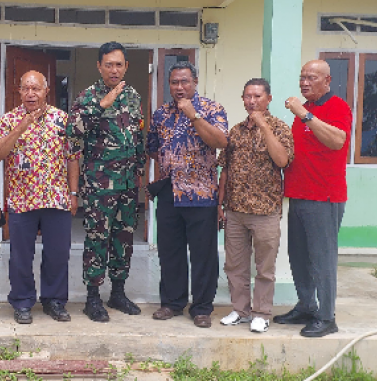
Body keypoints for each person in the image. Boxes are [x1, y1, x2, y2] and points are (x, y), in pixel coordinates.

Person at [0, 71, 80, 324]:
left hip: (57, 199)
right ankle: (22, 301)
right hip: (22, 200)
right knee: (20, 256)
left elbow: (73, 158)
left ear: (46, 91)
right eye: (26, 88)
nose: (31, 93)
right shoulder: (8, 120)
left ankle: (55, 301)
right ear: (19, 91)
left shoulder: (63, 120)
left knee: (58, 254)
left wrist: (73, 193)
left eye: (36, 89)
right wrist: (20, 128)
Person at [67, 41, 146, 322]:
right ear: (99, 66)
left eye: (119, 64)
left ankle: (118, 292)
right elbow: (73, 134)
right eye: (109, 64)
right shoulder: (87, 97)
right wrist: (102, 105)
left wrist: (140, 169)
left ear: (126, 66)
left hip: (127, 185)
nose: (114, 69)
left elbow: (138, 136)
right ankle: (92, 298)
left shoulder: (133, 96)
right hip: (100, 185)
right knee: (98, 239)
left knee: (124, 239)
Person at [273, 60, 352, 338]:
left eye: (312, 78)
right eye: (302, 77)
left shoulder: (336, 107)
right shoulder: (306, 110)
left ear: (327, 81)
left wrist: (304, 114)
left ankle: (327, 317)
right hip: (298, 194)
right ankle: (307, 306)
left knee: (322, 259)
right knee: (299, 256)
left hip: (324, 196)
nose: (304, 82)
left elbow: (338, 140)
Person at [146, 61, 228, 328]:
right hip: (170, 192)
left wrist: (193, 115)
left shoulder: (213, 109)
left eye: (184, 82)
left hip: (202, 193)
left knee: (203, 254)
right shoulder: (160, 114)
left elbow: (220, 142)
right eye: (174, 82)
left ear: (195, 82)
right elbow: (153, 149)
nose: (179, 87)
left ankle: (202, 307)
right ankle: (172, 302)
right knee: (170, 252)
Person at [217, 78, 293, 333]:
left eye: (257, 96)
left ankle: (261, 313)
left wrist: (263, 126)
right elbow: (225, 168)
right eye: (248, 96)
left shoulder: (280, 128)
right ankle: (240, 310)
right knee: (235, 265)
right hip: (235, 209)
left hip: (266, 210)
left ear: (268, 99)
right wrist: (220, 203)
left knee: (264, 267)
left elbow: (282, 160)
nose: (252, 101)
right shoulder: (236, 131)